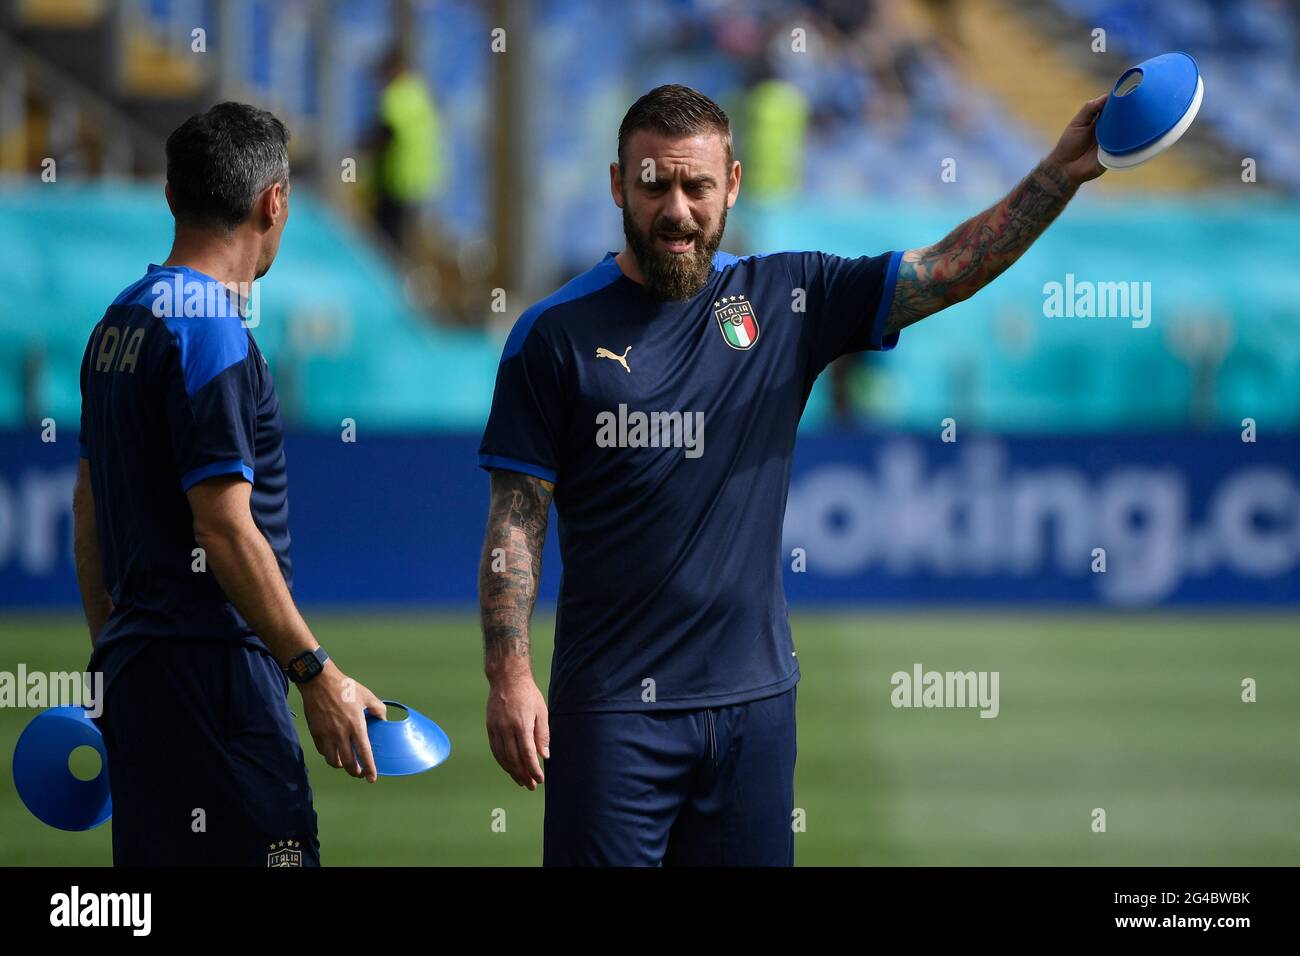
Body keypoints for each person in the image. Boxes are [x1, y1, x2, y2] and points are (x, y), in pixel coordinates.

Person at [477, 83, 1106, 866]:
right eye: (654, 185)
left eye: (698, 186)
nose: (677, 209)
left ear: (731, 185)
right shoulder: (553, 335)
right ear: (617, 185)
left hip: (755, 710)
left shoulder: (785, 299)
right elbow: (516, 516)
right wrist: (510, 675)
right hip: (612, 716)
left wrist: (1058, 174)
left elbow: (947, 270)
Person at [73, 102, 385, 867]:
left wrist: (115, 650)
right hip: (216, 676)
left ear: (173, 197)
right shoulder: (209, 327)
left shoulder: (120, 319)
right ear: (273, 202)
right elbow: (222, 528)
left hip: (141, 670)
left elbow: (90, 508)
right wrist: (316, 673)